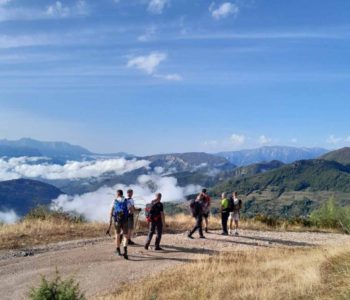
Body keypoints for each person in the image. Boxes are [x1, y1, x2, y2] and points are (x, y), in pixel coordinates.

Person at [106, 190, 129, 260]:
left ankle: (118, 250)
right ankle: (125, 250)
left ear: (117, 194)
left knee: (117, 235)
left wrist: (110, 220)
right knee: (125, 235)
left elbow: (111, 212)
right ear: (122, 194)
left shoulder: (114, 201)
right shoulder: (126, 201)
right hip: (125, 220)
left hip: (117, 220)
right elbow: (131, 210)